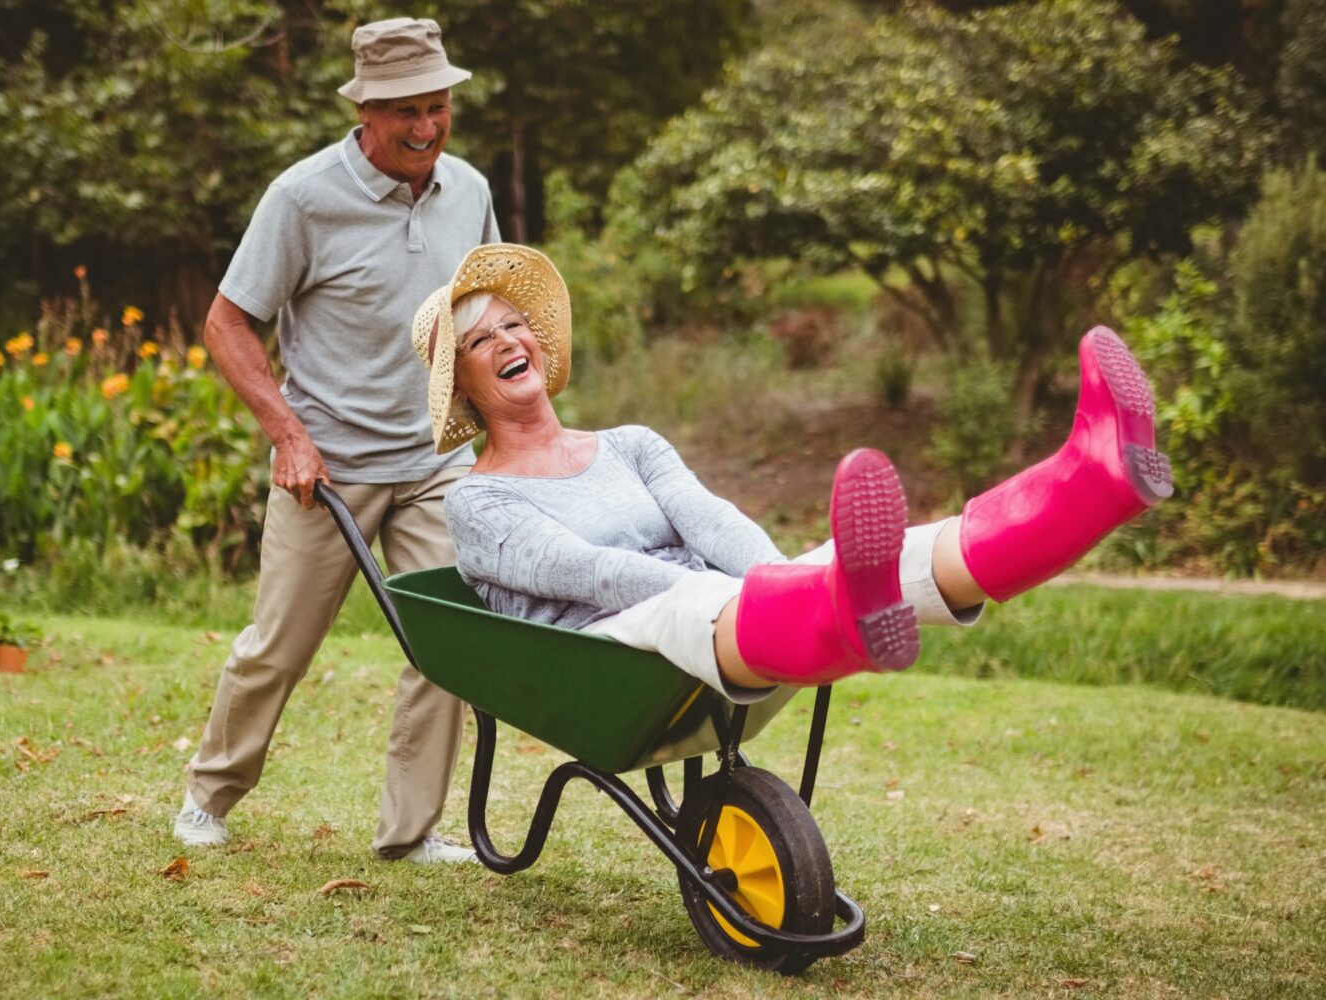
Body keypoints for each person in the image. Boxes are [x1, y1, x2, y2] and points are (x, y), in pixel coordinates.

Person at [409, 244, 1173, 698]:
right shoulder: (480, 502)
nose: (509, 342)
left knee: (905, 552)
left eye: (515, 324)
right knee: (706, 601)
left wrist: (786, 577)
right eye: (481, 341)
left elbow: (711, 520)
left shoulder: (631, 443)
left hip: (726, 617)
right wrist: (758, 595)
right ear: (462, 385)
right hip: (610, 653)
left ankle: (1092, 481)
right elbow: (591, 573)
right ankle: (821, 609)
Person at [175, 17, 500, 863]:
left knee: (446, 641)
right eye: (406, 113)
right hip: (326, 469)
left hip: (434, 460)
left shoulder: (468, 190)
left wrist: (502, 430)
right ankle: (208, 797)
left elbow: (485, 316)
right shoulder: (303, 198)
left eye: (438, 107)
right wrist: (288, 435)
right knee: (278, 647)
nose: (426, 127)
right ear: (366, 112)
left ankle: (410, 832)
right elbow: (226, 323)